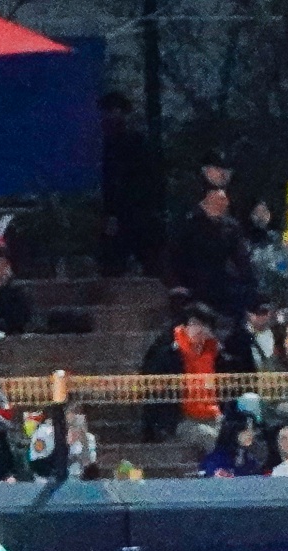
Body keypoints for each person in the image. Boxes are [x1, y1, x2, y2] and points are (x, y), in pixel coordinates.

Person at [96, 92, 167, 277]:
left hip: (137, 214)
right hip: (125, 214)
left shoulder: (135, 143)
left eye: (114, 110)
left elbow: (142, 179)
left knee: (148, 262)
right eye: (108, 111)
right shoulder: (107, 145)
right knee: (114, 264)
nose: (110, 116)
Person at [138, 302, 222, 446]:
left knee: (236, 435)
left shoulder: (218, 355)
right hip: (181, 420)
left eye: (204, 325)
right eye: (194, 323)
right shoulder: (167, 353)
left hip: (214, 416)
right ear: (184, 326)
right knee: (209, 436)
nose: (199, 329)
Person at [172, 182, 252, 317]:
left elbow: (241, 258)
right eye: (220, 199)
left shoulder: (231, 227)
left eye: (225, 199)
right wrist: (177, 284)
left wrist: (247, 281)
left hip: (221, 283)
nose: (225, 203)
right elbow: (175, 255)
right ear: (208, 199)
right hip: (192, 282)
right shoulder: (189, 223)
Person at [197, 410, 271, 476]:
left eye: (252, 429)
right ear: (233, 431)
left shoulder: (250, 460)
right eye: (245, 430)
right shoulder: (215, 460)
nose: (251, 433)